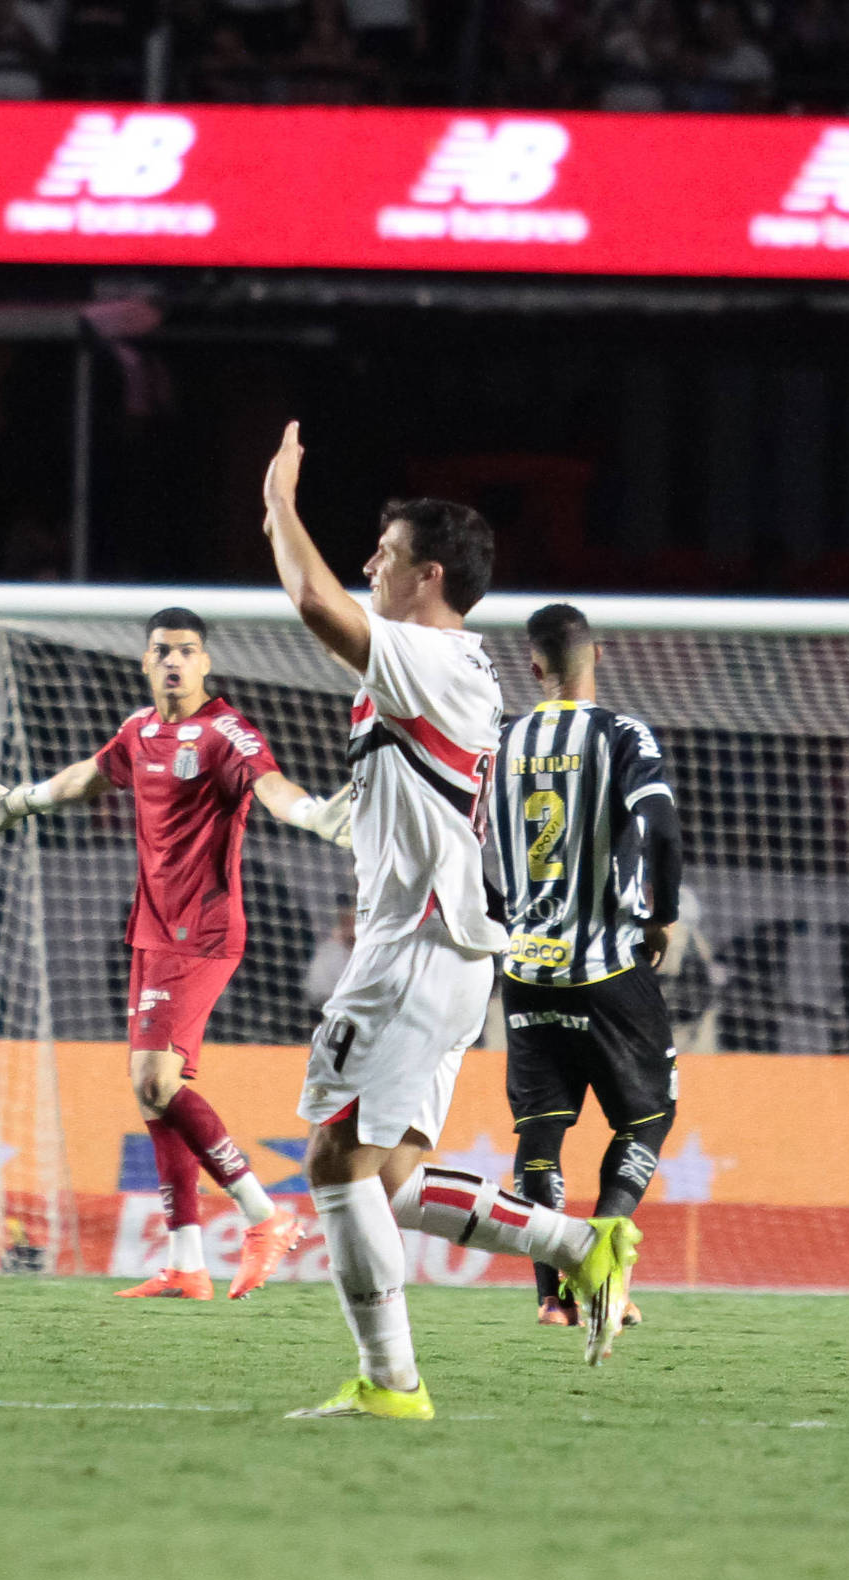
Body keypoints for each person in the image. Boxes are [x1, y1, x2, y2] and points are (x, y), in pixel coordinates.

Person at [258, 420, 640, 1421]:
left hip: (415, 947)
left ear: (426, 575)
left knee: (336, 1160)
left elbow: (310, 601)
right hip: (450, 946)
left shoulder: (427, 656)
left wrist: (278, 504)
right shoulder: (451, 671)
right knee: (388, 1177)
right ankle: (579, 1246)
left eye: (380, 557)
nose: (364, 569)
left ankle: (392, 1385)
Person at [0, 607, 349, 1301]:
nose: (173, 661)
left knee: (155, 1082)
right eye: (162, 650)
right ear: (145, 661)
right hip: (150, 931)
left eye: (187, 651)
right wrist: (18, 803)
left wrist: (313, 812)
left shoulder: (226, 731)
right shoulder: (140, 730)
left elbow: (270, 785)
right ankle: (187, 1261)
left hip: (201, 931)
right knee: (153, 1096)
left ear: (205, 664)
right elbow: (91, 776)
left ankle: (265, 1215)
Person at [493, 604, 681, 1331]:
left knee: (541, 1131)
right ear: (595, 658)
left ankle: (551, 1295)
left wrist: (499, 916)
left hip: (524, 967)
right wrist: (661, 914)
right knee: (650, 1115)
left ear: (534, 667)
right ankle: (604, 1262)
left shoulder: (501, 739)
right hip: (605, 966)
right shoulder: (620, 733)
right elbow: (659, 821)